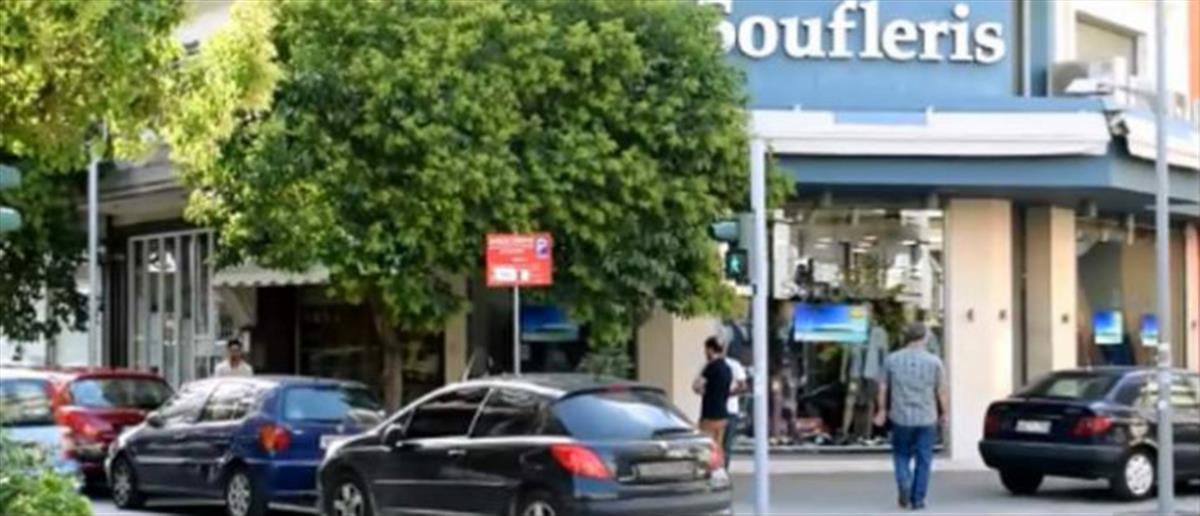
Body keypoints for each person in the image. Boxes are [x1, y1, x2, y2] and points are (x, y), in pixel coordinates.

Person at [874, 322, 947, 511]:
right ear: (924, 338)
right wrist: (944, 413)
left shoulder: (891, 360)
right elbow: (941, 391)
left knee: (901, 454)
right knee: (924, 459)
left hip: (901, 416)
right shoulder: (935, 362)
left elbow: (883, 387)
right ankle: (918, 499)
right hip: (927, 417)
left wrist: (882, 410)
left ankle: (904, 483)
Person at [693, 337, 732, 454]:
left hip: (710, 414)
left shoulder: (711, 367)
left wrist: (703, 391)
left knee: (705, 448)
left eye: (705, 350)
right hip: (723, 413)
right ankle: (719, 464)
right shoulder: (727, 368)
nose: (705, 353)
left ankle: (709, 465)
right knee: (718, 448)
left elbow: (696, 386)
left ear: (710, 349)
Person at [722, 352, 747, 467]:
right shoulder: (708, 364)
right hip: (713, 410)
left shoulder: (733, 365)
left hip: (730, 410)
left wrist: (727, 394)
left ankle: (723, 469)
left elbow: (743, 386)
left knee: (726, 444)